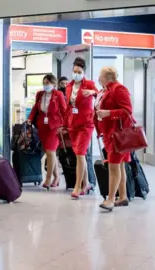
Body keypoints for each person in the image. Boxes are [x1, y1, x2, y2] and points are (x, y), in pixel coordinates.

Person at [95, 67, 134, 211]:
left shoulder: (119, 89)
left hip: (118, 135)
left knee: (113, 166)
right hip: (109, 133)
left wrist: (108, 113)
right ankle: (122, 196)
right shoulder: (105, 90)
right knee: (120, 165)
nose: (99, 78)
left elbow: (127, 111)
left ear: (106, 76)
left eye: (100, 76)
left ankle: (110, 199)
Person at [64, 57, 98, 199]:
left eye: (79, 71)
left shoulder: (89, 84)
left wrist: (91, 92)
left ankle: (77, 186)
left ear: (83, 72)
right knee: (79, 155)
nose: (76, 73)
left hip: (86, 124)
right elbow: (68, 107)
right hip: (73, 124)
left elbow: (99, 93)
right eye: (74, 71)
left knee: (80, 154)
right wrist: (65, 124)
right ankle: (87, 183)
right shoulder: (69, 86)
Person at [27, 75, 67, 189]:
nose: (46, 85)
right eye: (44, 83)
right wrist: (30, 118)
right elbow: (35, 108)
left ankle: (48, 178)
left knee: (50, 151)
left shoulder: (58, 95)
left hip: (54, 127)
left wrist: (65, 126)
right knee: (50, 152)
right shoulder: (40, 94)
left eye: (48, 83)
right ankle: (57, 177)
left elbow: (64, 110)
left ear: (54, 84)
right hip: (42, 126)